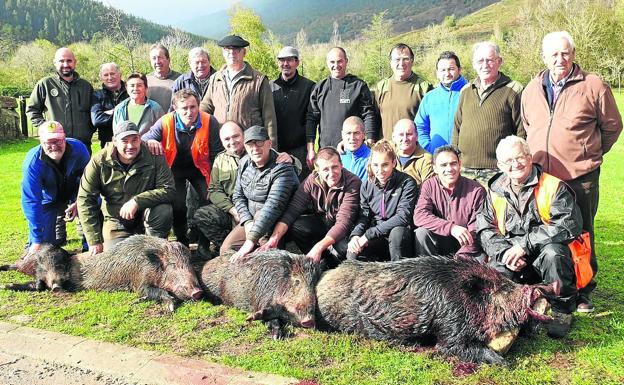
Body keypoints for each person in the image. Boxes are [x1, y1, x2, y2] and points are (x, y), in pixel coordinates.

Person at [521, 31, 623, 312]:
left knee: (581, 233)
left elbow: (612, 126)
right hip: (543, 180)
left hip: (580, 178)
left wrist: (589, 154)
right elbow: (528, 126)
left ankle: (583, 290)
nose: (559, 59)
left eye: (565, 53)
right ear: (543, 57)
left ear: (574, 54)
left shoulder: (593, 85)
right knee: (545, 232)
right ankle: (549, 285)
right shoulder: (532, 89)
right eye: (553, 54)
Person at [476, 135, 582, 338]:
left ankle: (561, 310)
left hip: (543, 255)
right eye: (508, 161)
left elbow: (568, 224)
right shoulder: (494, 191)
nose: (515, 164)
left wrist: (524, 246)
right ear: (499, 165)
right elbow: (485, 229)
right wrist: (505, 252)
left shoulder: (553, 187)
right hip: (513, 255)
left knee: (554, 253)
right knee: (492, 274)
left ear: (530, 157)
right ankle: (507, 314)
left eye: (520, 157)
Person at [77, 121, 175, 255]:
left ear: (140, 139)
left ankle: (156, 247)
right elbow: (85, 199)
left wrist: (137, 201)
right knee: (118, 261)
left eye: (135, 140)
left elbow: (168, 189)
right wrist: (94, 240)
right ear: (115, 141)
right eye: (124, 141)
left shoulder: (154, 155)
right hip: (116, 220)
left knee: (163, 210)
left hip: (145, 216)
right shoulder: (99, 162)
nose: (130, 145)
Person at [142, 89, 222, 245]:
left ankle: (204, 243)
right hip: (174, 169)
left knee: (209, 200)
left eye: (193, 107)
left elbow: (217, 153)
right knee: (178, 205)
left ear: (198, 106)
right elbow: (145, 139)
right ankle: (182, 239)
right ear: (175, 108)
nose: (189, 112)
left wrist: (216, 179)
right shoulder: (165, 122)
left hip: (200, 168)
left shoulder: (209, 121)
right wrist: (150, 141)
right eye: (184, 108)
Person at [260, 147, 361, 264]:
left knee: (344, 248)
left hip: (346, 230)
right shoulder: (311, 181)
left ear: (341, 165)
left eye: (335, 167)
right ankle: (322, 261)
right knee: (297, 226)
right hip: (323, 222)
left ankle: (335, 262)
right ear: (318, 170)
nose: (331, 173)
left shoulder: (353, 183)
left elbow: (343, 223)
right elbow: (292, 210)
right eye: (326, 169)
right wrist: (274, 238)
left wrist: (318, 246)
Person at [221, 126, 300, 261]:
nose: (255, 148)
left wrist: (250, 241)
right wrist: (247, 222)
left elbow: (272, 206)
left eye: (259, 143)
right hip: (251, 220)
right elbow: (238, 196)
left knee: (266, 258)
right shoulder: (244, 162)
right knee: (226, 249)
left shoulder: (283, 169)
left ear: (269, 143)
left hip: (276, 223)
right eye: (250, 144)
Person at [452, 41, 524, 186]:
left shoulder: (514, 89)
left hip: (497, 170)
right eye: (480, 61)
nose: (485, 65)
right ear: (473, 64)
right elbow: (457, 127)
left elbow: (522, 131)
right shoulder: (466, 90)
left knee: (496, 209)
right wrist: (456, 157)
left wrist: (513, 164)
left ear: (499, 61)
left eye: (490, 60)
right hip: (465, 169)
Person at [21, 121, 90, 252]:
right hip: (48, 199)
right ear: (41, 142)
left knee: (94, 202)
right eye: (49, 142)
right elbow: (31, 200)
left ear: (65, 139)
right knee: (44, 248)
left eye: (58, 141)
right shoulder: (32, 163)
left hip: (75, 193)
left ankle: (90, 248)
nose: (54, 146)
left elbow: (89, 181)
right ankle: (35, 243)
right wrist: (36, 239)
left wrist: (79, 200)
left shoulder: (79, 149)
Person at [200, 35, 277, 145]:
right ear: (223, 53)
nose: (232, 53)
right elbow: (206, 106)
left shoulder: (259, 80)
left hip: (250, 145)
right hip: (222, 142)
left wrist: (272, 148)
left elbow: (269, 119)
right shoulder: (216, 79)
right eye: (227, 49)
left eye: (236, 49)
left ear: (244, 52)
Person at [347, 139, 417, 262]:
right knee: (352, 252)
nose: (380, 170)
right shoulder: (367, 185)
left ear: (393, 163)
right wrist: (355, 236)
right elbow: (364, 216)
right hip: (377, 235)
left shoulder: (407, 182)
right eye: (375, 165)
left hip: (398, 234)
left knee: (397, 234)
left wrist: (369, 234)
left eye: (385, 165)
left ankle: (399, 278)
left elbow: (403, 217)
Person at [306, 47, 376, 167]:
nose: (336, 65)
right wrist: (311, 149)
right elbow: (311, 119)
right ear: (327, 63)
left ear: (346, 61)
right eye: (332, 62)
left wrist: (370, 140)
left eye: (340, 61)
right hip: (326, 151)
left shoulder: (358, 86)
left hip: (352, 152)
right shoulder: (319, 88)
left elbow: (368, 114)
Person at [413, 145, 486, 260]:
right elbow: (420, 215)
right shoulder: (429, 185)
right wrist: (451, 228)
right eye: (443, 165)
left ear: (460, 164)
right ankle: (429, 273)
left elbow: (476, 231)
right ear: (435, 168)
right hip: (440, 242)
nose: (449, 169)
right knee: (421, 233)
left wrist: (460, 259)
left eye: (453, 164)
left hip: (466, 246)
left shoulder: (476, 190)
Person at [26, 47, 95, 151]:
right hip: (55, 146)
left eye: (69, 61)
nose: (66, 65)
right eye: (61, 61)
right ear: (55, 63)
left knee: (85, 168)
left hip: (82, 146)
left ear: (75, 62)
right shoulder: (45, 84)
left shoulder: (86, 86)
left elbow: (93, 113)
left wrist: (88, 131)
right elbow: (32, 110)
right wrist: (45, 127)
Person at [271, 46, 315, 178]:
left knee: (301, 190)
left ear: (297, 62)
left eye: (289, 60)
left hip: (299, 150)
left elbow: (311, 119)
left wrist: (310, 149)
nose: (285, 64)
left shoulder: (309, 87)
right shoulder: (269, 87)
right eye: (282, 60)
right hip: (275, 149)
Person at [373, 43, 432, 140]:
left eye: (405, 59)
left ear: (412, 61)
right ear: (390, 62)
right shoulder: (381, 87)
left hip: (413, 150)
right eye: (397, 59)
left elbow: (429, 123)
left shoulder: (423, 87)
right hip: (387, 150)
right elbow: (375, 120)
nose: (401, 63)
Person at [415, 51, 468, 153]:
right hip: (437, 159)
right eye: (443, 70)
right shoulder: (429, 97)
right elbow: (420, 127)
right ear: (437, 73)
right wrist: (428, 148)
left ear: (459, 70)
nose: (447, 74)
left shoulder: (470, 93)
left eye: (451, 69)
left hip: (466, 158)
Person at [91, 62, 129, 148]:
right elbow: (97, 120)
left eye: (113, 74)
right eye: (105, 75)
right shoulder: (97, 95)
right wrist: (122, 113)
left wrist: (111, 112)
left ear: (120, 74)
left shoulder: (130, 92)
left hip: (130, 141)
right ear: (101, 78)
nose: (110, 77)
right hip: (107, 144)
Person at [392, 119, 434, 188]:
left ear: (417, 136)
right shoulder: (388, 154)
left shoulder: (426, 159)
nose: (405, 139)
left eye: (409, 134)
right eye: (401, 134)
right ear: (393, 137)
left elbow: (428, 192)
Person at [146, 43, 181, 111]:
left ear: (168, 59)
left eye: (160, 57)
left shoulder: (180, 80)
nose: (157, 61)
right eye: (154, 58)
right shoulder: (145, 81)